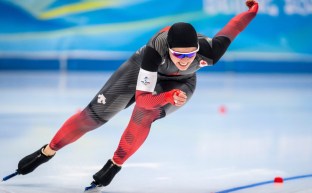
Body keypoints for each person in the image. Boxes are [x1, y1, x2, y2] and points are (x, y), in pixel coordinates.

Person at [15, 0, 259, 191]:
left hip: (182, 84)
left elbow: (234, 27)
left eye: (190, 56)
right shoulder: (155, 51)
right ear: (169, 50)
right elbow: (142, 97)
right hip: (140, 69)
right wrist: (168, 95)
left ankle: (114, 165)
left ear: (198, 49)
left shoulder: (211, 51)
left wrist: (252, 11)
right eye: (178, 56)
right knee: (93, 117)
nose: (185, 61)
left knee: (144, 114)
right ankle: (46, 151)